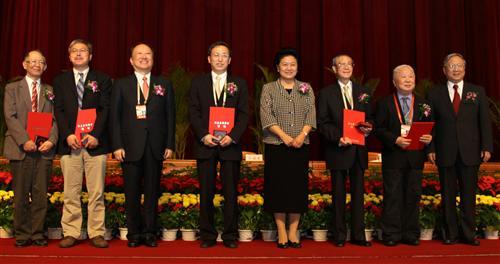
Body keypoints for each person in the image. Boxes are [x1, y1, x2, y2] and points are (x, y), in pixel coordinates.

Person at [110, 43, 175, 247]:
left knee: (152, 191)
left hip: (156, 146)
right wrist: (117, 145)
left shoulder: (164, 84)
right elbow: (115, 118)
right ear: (131, 60)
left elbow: (170, 117)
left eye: (148, 54)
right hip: (129, 147)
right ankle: (133, 234)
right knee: (131, 192)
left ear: (153, 60)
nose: (144, 57)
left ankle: (149, 233)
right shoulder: (121, 84)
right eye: (139, 54)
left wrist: (170, 144)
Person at [426, 53, 493, 246]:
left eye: (459, 66)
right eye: (452, 66)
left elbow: (484, 122)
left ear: (465, 69)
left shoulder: (477, 91)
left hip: (470, 151)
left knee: (468, 195)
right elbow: (430, 123)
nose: (456, 69)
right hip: (444, 151)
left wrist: (486, 146)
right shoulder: (434, 93)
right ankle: (450, 233)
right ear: (444, 69)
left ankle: (469, 233)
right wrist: (430, 147)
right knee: (447, 195)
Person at [189, 41, 249, 249]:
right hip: (205, 144)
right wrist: (203, 135)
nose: (220, 58)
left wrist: (232, 136)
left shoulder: (239, 83)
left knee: (231, 192)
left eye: (224, 55)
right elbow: (193, 113)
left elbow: (244, 115)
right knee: (206, 192)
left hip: (230, 146)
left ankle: (230, 236)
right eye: (216, 55)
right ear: (209, 59)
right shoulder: (198, 83)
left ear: (230, 60)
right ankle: (207, 235)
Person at [53, 39, 112, 248]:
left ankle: (96, 232)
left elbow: (106, 109)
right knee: (71, 191)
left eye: (83, 51)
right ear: (69, 56)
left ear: (90, 56)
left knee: (96, 191)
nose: (79, 54)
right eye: (74, 51)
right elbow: (58, 110)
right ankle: (71, 231)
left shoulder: (102, 79)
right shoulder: (59, 81)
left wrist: (95, 134)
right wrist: (68, 134)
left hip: (96, 144)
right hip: (70, 143)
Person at [260, 48, 316, 249]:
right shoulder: (269, 88)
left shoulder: (306, 88)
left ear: (297, 67)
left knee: (296, 189)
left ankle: (294, 230)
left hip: (300, 145)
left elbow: (311, 115)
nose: (289, 68)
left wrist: (301, 135)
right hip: (276, 146)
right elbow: (266, 116)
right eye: (285, 64)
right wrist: (284, 136)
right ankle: (281, 230)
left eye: (293, 64)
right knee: (278, 189)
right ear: (277, 67)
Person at [317, 54, 373, 247]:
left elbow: (370, 118)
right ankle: (339, 236)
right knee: (338, 195)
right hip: (338, 148)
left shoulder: (363, 91)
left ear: (353, 67)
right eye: (341, 64)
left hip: (358, 151)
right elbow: (322, 122)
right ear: (334, 69)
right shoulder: (326, 93)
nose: (346, 67)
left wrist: (369, 127)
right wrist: (338, 138)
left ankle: (359, 235)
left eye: (349, 64)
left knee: (359, 196)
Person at [3, 50, 58, 247]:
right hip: (21, 148)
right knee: (21, 194)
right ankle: (22, 234)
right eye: (32, 61)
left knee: (40, 194)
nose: (37, 64)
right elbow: (10, 116)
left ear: (45, 67)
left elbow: (55, 118)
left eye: (41, 62)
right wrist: (24, 140)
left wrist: (51, 140)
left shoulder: (49, 90)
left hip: (43, 149)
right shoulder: (12, 88)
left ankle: (37, 233)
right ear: (24, 64)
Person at [374, 65, 433, 246]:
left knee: (413, 196)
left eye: (411, 77)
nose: (408, 80)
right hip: (394, 156)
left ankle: (411, 233)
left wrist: (429, 137)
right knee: (393, 196)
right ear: (394, 82)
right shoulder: (385, 103)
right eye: (403, 77)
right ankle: (391, 234)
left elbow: (432, 128)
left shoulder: (424, 104)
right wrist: (395, 140)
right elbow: (378, 129)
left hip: (416, 157)